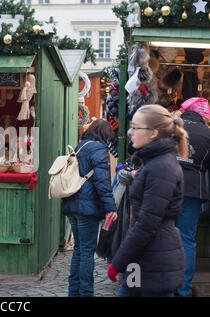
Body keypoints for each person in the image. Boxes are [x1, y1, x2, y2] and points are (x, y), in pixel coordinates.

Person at [107, 104, 188, 297]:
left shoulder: (161, 168)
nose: (130, 132)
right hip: (143, 258)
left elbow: (146, 223)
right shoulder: (153, 162)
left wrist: (118, 262)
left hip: (156, 261)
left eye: (136, 127)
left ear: (153, 133)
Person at [61, 119, 117, 297]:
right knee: (86, 251)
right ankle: (86, 292)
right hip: (88, 207)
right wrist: (111, 208)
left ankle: (74, 291)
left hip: (73, 203)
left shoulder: (81, 145)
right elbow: (102, 182)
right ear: (104, 134)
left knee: (79, 249)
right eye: (109, 137)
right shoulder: (98, 149)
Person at [175, 97, 210, 297]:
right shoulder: (207, 134)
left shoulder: (171, 127)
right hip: (193, 190)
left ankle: (165, 285)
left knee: (163, 235)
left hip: (166, 186)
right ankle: (184, 288)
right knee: (186, 238)